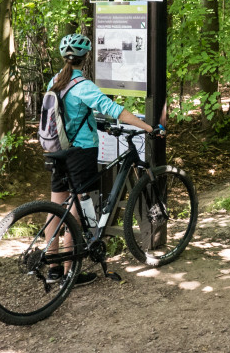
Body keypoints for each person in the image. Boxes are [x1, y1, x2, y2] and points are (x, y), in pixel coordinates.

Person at [46, 33, 160, 286]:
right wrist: (147, 127)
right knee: (76, 212)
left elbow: (69, 116)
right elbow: (114, 110)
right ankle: (69, 273)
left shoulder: (55, 81)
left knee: (55, 209)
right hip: (80, 153)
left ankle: (52, 267)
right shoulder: (83, 85)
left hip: (56, 149)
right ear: (85, 60)